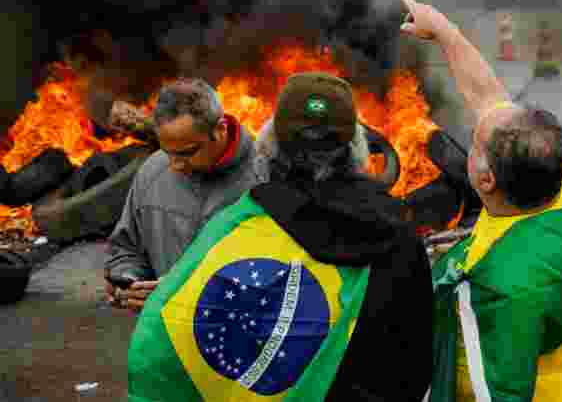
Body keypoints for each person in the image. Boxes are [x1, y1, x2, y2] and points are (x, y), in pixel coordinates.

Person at [126, 72, 434, 401]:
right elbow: (415, 361)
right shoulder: (400, 235)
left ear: (270, 145)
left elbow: (170, 334)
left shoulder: (237, 226)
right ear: (356, 147)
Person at [398, 0, 562, 402]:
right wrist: (443, 30)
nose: (473, 129)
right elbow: (488, 99)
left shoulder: (498, 287)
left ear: (485, 179)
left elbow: (497, 390)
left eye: (476, 143)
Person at [105, 78, 261, 311]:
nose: (175, 165)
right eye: (167, 152)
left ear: (220, 130)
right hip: (166, 337)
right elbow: (126, 249)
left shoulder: (266, 177)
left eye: (187, 152)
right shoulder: (152, 173)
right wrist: (129, 281)